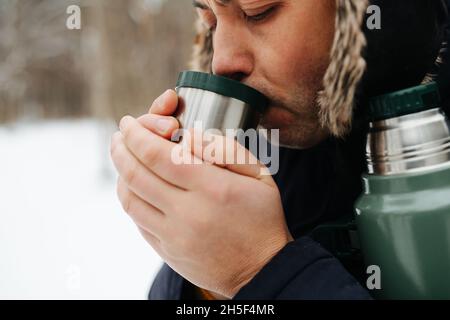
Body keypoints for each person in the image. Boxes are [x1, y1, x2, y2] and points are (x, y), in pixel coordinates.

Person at [110, 0, 450, 299]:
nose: (222, 62)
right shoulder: (271, 152)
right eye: (210, 20)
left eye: (259, 12)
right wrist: (201, 273)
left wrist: (261, 272)